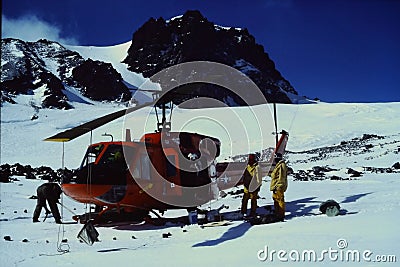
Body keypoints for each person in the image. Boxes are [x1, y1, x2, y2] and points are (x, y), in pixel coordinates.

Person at [241, 154, 262, 218]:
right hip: (247, 186)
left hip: (253, 187)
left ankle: (253, 213)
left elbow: (259, 178)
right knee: (244, 200)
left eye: (250, 160)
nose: (249, 161)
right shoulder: (247, 166)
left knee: (253, 200)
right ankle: (243, 212)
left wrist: (258, 186)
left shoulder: (257, 167)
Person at [270, 153, 288, 221]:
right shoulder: (279, 165)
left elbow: (281, 177)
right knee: (276, 200)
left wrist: (278, 186)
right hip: (276, 186)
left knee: (280, 200)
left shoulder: (281, 165)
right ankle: (277, 213)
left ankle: (280, 215)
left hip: (278, 186)